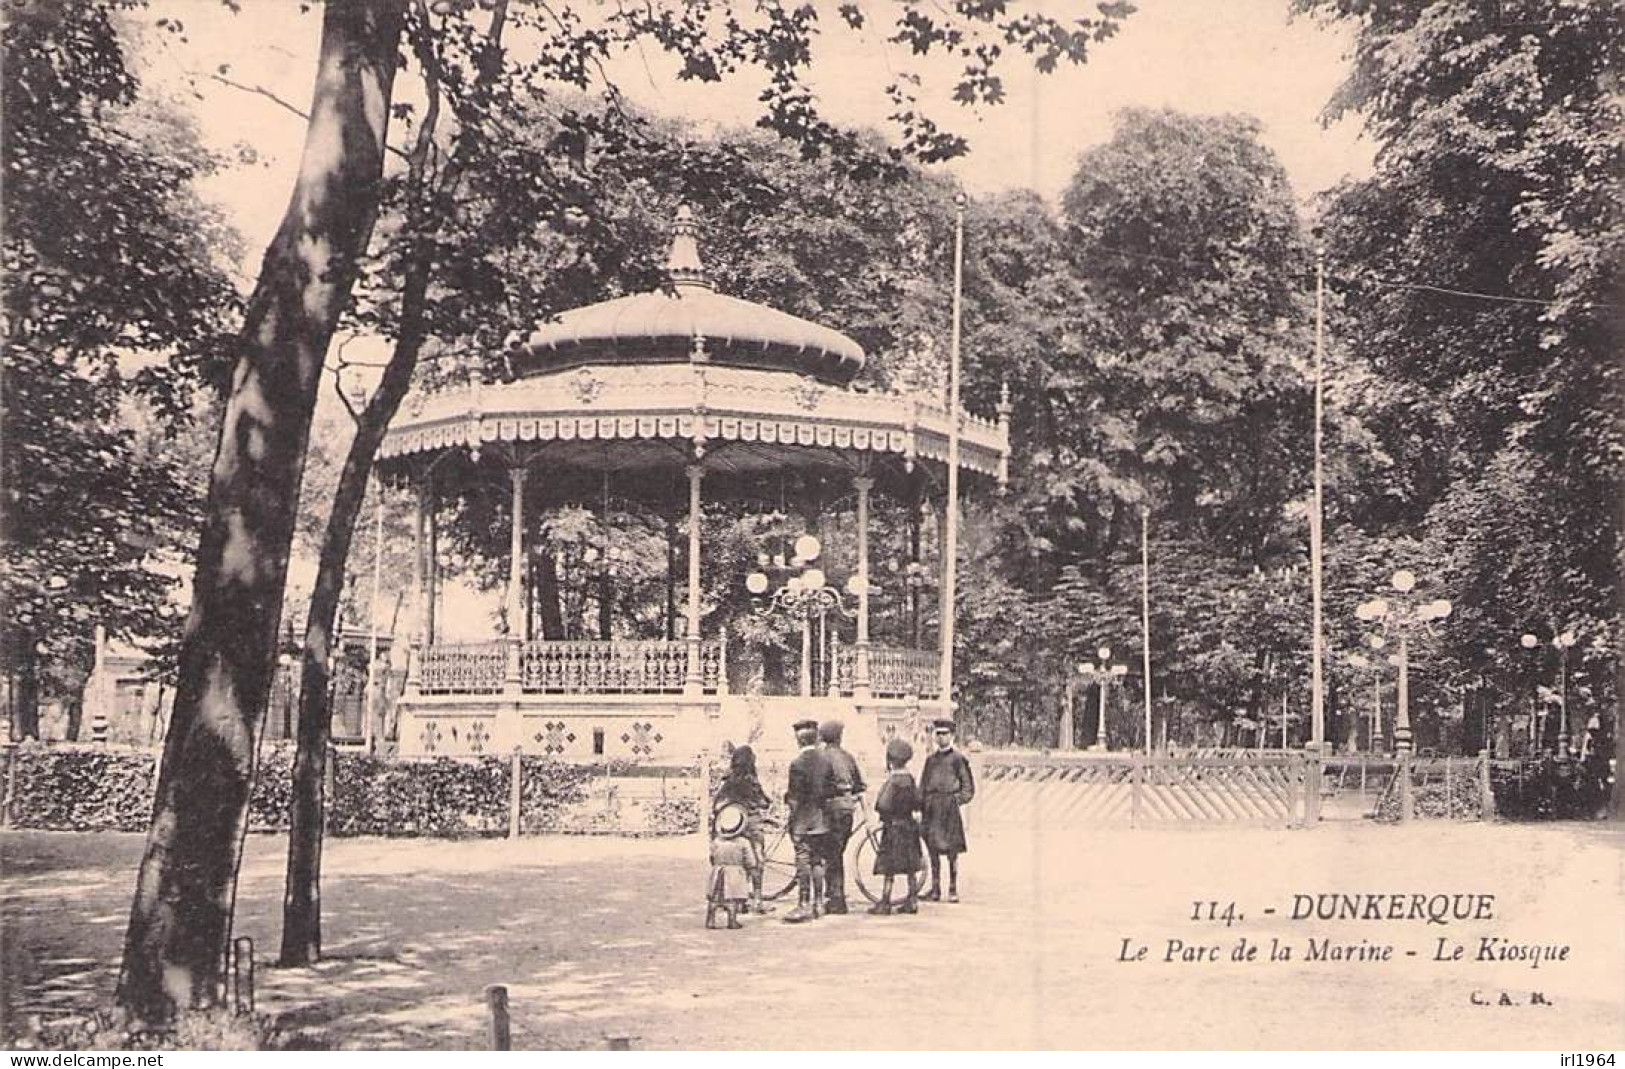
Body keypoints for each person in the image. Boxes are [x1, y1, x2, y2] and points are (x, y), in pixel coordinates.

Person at [783, 718, 835, 923]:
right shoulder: (825, 761)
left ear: (799, 741)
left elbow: (795, 797)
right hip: (822, 820)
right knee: (818, 861)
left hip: (803, 821)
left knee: (803, 861)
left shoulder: (796, 764)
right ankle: (819, 903)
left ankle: (803, 903)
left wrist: (790, 812)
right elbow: (831, 790)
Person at [713, 744, 774, 914]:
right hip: (751, 825)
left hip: (730, 825)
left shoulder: (727, 781)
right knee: (756, 862)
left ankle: (732, 900)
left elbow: (717, 805)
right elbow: (764, 802)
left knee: (733, 863)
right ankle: (757, 899)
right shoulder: (751, 781)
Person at [918, 718, 974, 902]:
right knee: (932, 849)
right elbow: (923, 785)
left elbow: (968, 787)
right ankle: (935, 889)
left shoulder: (958, 759)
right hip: (932, 808)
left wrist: (956, 800)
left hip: (949, 809)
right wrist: (921, 805)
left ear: (952, 736)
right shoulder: (930, 760)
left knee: (952, 851)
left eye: (945, 734)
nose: (941, 738)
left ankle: (952, 889)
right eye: (938, 734)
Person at [869, 737, 924, 915]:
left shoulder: (892, 782)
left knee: (889, 868)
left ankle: (885, 902)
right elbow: (918, 801)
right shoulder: (910, 780)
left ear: (890, 761)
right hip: (909, 827)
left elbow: (883, 804)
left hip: (893, 829)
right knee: (910, 868)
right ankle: (912, 900)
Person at [817, 719, 865, 914]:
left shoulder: (822, 758)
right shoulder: (848, 757)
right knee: (837, 851)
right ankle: (834, 894)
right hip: (847, 809)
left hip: (830, 808)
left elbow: (819, 786)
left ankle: (835, 899)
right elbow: (859, 785)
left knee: (831, 853)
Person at [706, 802, 751, 930]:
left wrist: (716, 865)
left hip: (718, 870)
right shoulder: (743, 843)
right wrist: (749, 867)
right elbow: (750, 860)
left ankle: (710, 920)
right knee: (732, 897)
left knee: (714, 897)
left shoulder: (717, 841)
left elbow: (712, 857)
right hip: (735, 872)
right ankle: (732, 921)